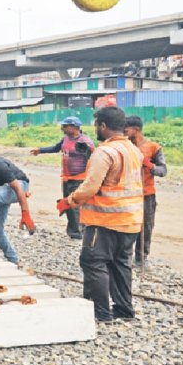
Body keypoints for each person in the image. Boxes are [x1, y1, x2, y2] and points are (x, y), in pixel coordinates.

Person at [56, 107, 143, 322]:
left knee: (93, 262)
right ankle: (124, 309)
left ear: (103, 126)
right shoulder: (133, 150)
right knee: (120, 264)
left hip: (105, 220)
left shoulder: (105, 152)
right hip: (130, 219)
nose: (95, 128)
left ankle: (100, 313)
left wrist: (68, 201)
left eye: (97, 125)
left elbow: (90, 186)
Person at [29, 116, 95, 239]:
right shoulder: (65, 139)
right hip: (67, 178)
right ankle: (75, 230)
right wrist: (40, 150)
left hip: (79, 179)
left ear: (74, 127)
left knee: (74, 205)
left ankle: (77, 233)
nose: (63, 129)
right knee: (68, 205)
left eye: (65, 126)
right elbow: (56, 148)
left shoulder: (85, 142)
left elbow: (94, 158)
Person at [124, 115, 167, 269]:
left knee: (146, 227)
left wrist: (149, 166)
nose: (123, 132)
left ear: (136, 130)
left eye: (126, 129)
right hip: (126, 193)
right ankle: (124, 258)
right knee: (126, 225)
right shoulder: (123, 146)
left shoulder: (153, 147)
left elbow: (163, 170)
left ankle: (142, 258)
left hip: (146, 194)